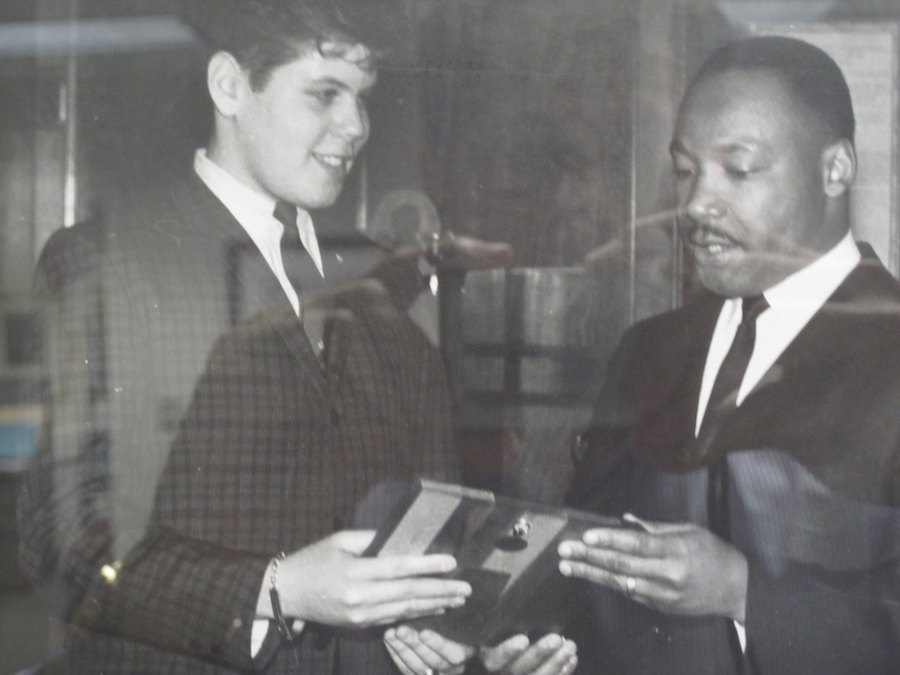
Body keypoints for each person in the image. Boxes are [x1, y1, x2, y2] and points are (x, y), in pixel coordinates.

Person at [18, 1, 519, 671]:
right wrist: (276, 589)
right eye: (324, 94)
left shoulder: (383, 279)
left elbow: (433, 513)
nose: (356, 125)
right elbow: (61, 535)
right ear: (229, 86)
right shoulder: (107, 261)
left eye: (363, 98)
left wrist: (452, 632)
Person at [555, 35, 900, 674]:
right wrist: (534, 632)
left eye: (738, 170)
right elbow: (580, 564)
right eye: (685, 172)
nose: (695, 207)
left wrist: (744, 593)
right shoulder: (646, 350)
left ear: (836, 169)